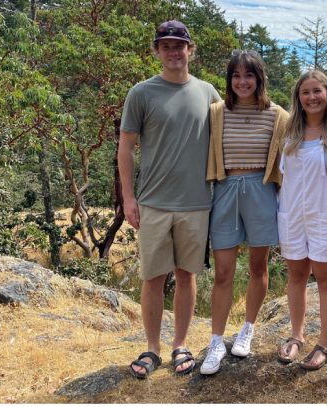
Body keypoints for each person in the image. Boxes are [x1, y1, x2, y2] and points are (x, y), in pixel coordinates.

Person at [119, 20, 221, 379]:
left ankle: (180, 344)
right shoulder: (142, 93)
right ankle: (152, 348)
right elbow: (126, 148)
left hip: (197, 202)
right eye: (166, 46)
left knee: (186, 275)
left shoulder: (209, 93)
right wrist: (128, 197)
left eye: (180, 45)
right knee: (152, 278)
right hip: (153, 202)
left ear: (190, 50)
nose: (173, 51)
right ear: (157, 51)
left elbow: (230, 137)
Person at [200, 50, 289, 375]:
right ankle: (215, 341)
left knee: (257, 265)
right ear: (229, 81)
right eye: (236, 75)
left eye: (248, 75)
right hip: (225, 191)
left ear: (259, 78)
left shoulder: (278, 115)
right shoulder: (217, 112)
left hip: (262, 192)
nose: (242, 81)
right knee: (223, 272)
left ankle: (247, 329)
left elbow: (306, 138)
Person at [276, 70, 327, 370]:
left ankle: (325, 342)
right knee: (296, 277)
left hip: (324, 213)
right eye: (305, 92)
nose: (311, 97)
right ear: (298, 97)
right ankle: (296, 336)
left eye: (317, 91)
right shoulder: (289, 128)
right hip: (291, 212)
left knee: (324, 280)